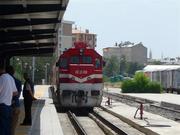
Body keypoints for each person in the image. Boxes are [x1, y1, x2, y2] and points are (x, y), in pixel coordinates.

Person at [0, 65, 18, 135]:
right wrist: (8, 94)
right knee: (7, 128)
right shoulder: (10, 78)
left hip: (2, 106)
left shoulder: (1, 78)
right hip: (8, 106)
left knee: (2, 128)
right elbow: (15, 92)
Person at [6, 65, 22, 135]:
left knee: (5, 125)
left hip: (6, 105)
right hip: (16, 105)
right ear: (13, 72)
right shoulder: (18, 81)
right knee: (13, 127)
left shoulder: (3, 79)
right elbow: (18, 94)